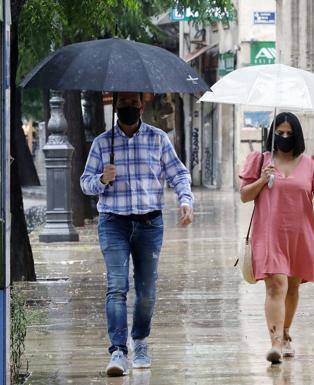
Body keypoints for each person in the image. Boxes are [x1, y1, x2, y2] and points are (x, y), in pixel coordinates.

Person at [80, 92, 193, 376]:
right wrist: (103, 179)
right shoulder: (102, 143)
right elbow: (85, 184)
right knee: (116, 287)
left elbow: (178, 174)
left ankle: (140, 341)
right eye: (123, 104)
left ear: (141, 106)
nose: (128, 108)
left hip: (149, 224)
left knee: (146, 292)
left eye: (133, 104)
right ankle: (118, 350)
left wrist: (185, 200)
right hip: (113, 223)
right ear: (115, 107)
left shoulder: (158, 139)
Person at [239, 112, 314, 364]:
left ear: (297, 136)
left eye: (288, 133)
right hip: (269, 234)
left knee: (292, 288)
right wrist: (262, 179)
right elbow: (245, 196)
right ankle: (275, 343)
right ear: (272, 134)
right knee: (276, 285)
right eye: (279, 133)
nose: (283, 137)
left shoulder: (311, 164)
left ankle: (285, 333)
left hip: (300, 234)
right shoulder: (261, 161)